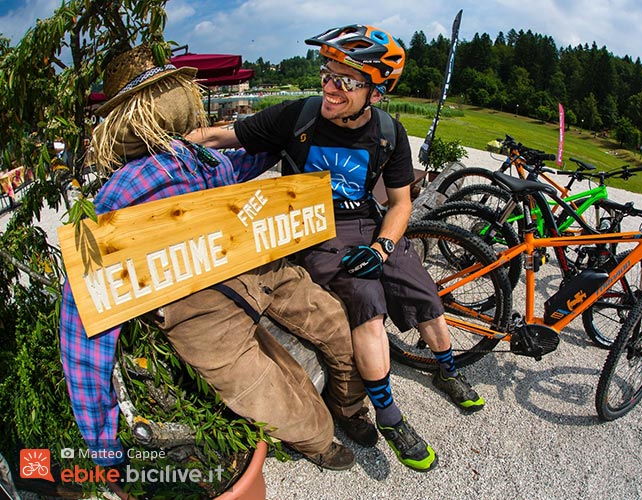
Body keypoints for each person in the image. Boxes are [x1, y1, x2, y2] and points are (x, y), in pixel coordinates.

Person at [59, 44, 378, 473]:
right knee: (261, 384)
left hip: (254, 263)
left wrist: (291, 134)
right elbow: (87, 304)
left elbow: (242, 165)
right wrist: (101, 437)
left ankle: (348, 410)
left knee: (333, 322)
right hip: (193, 302)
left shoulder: (202, 156)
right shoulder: (121, 192)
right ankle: (322, 437)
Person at [188, 24, 485, 473]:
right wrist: (160, 144)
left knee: (422, 290)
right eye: (327, 74)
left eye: (346, 81)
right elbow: (218, 136)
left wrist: (384, 247)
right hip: (315, 229)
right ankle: (388, 416)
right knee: (367, 299)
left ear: (376, 91)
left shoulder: (389, 131)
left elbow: (401, 202)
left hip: (369, 222)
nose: (330, 88)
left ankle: (447, 368)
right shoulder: (300, 116)